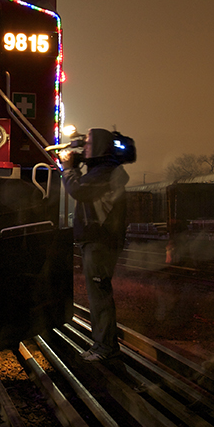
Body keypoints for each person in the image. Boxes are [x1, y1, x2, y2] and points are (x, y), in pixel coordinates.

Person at [63, 128, 132, 363]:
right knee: (98, 293)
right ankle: (102, 343)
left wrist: (69, 168)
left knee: (99, 294)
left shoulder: (104, 173)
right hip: (98, 241)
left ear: (101, 147)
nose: (85, 147)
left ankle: (106, 347)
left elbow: (78, 190)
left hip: (100, 242)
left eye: (90, 143)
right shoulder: (101, 170)